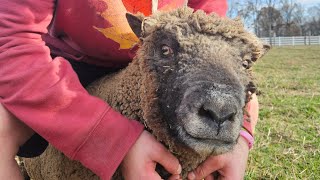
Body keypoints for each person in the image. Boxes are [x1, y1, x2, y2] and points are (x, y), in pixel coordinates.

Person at [0, 0, 258, 179]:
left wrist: (241, 141)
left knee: (250, 99)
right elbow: (13, 42)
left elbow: (215, 33)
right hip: (60, 68)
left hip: (157, 68)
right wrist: (114, 140)